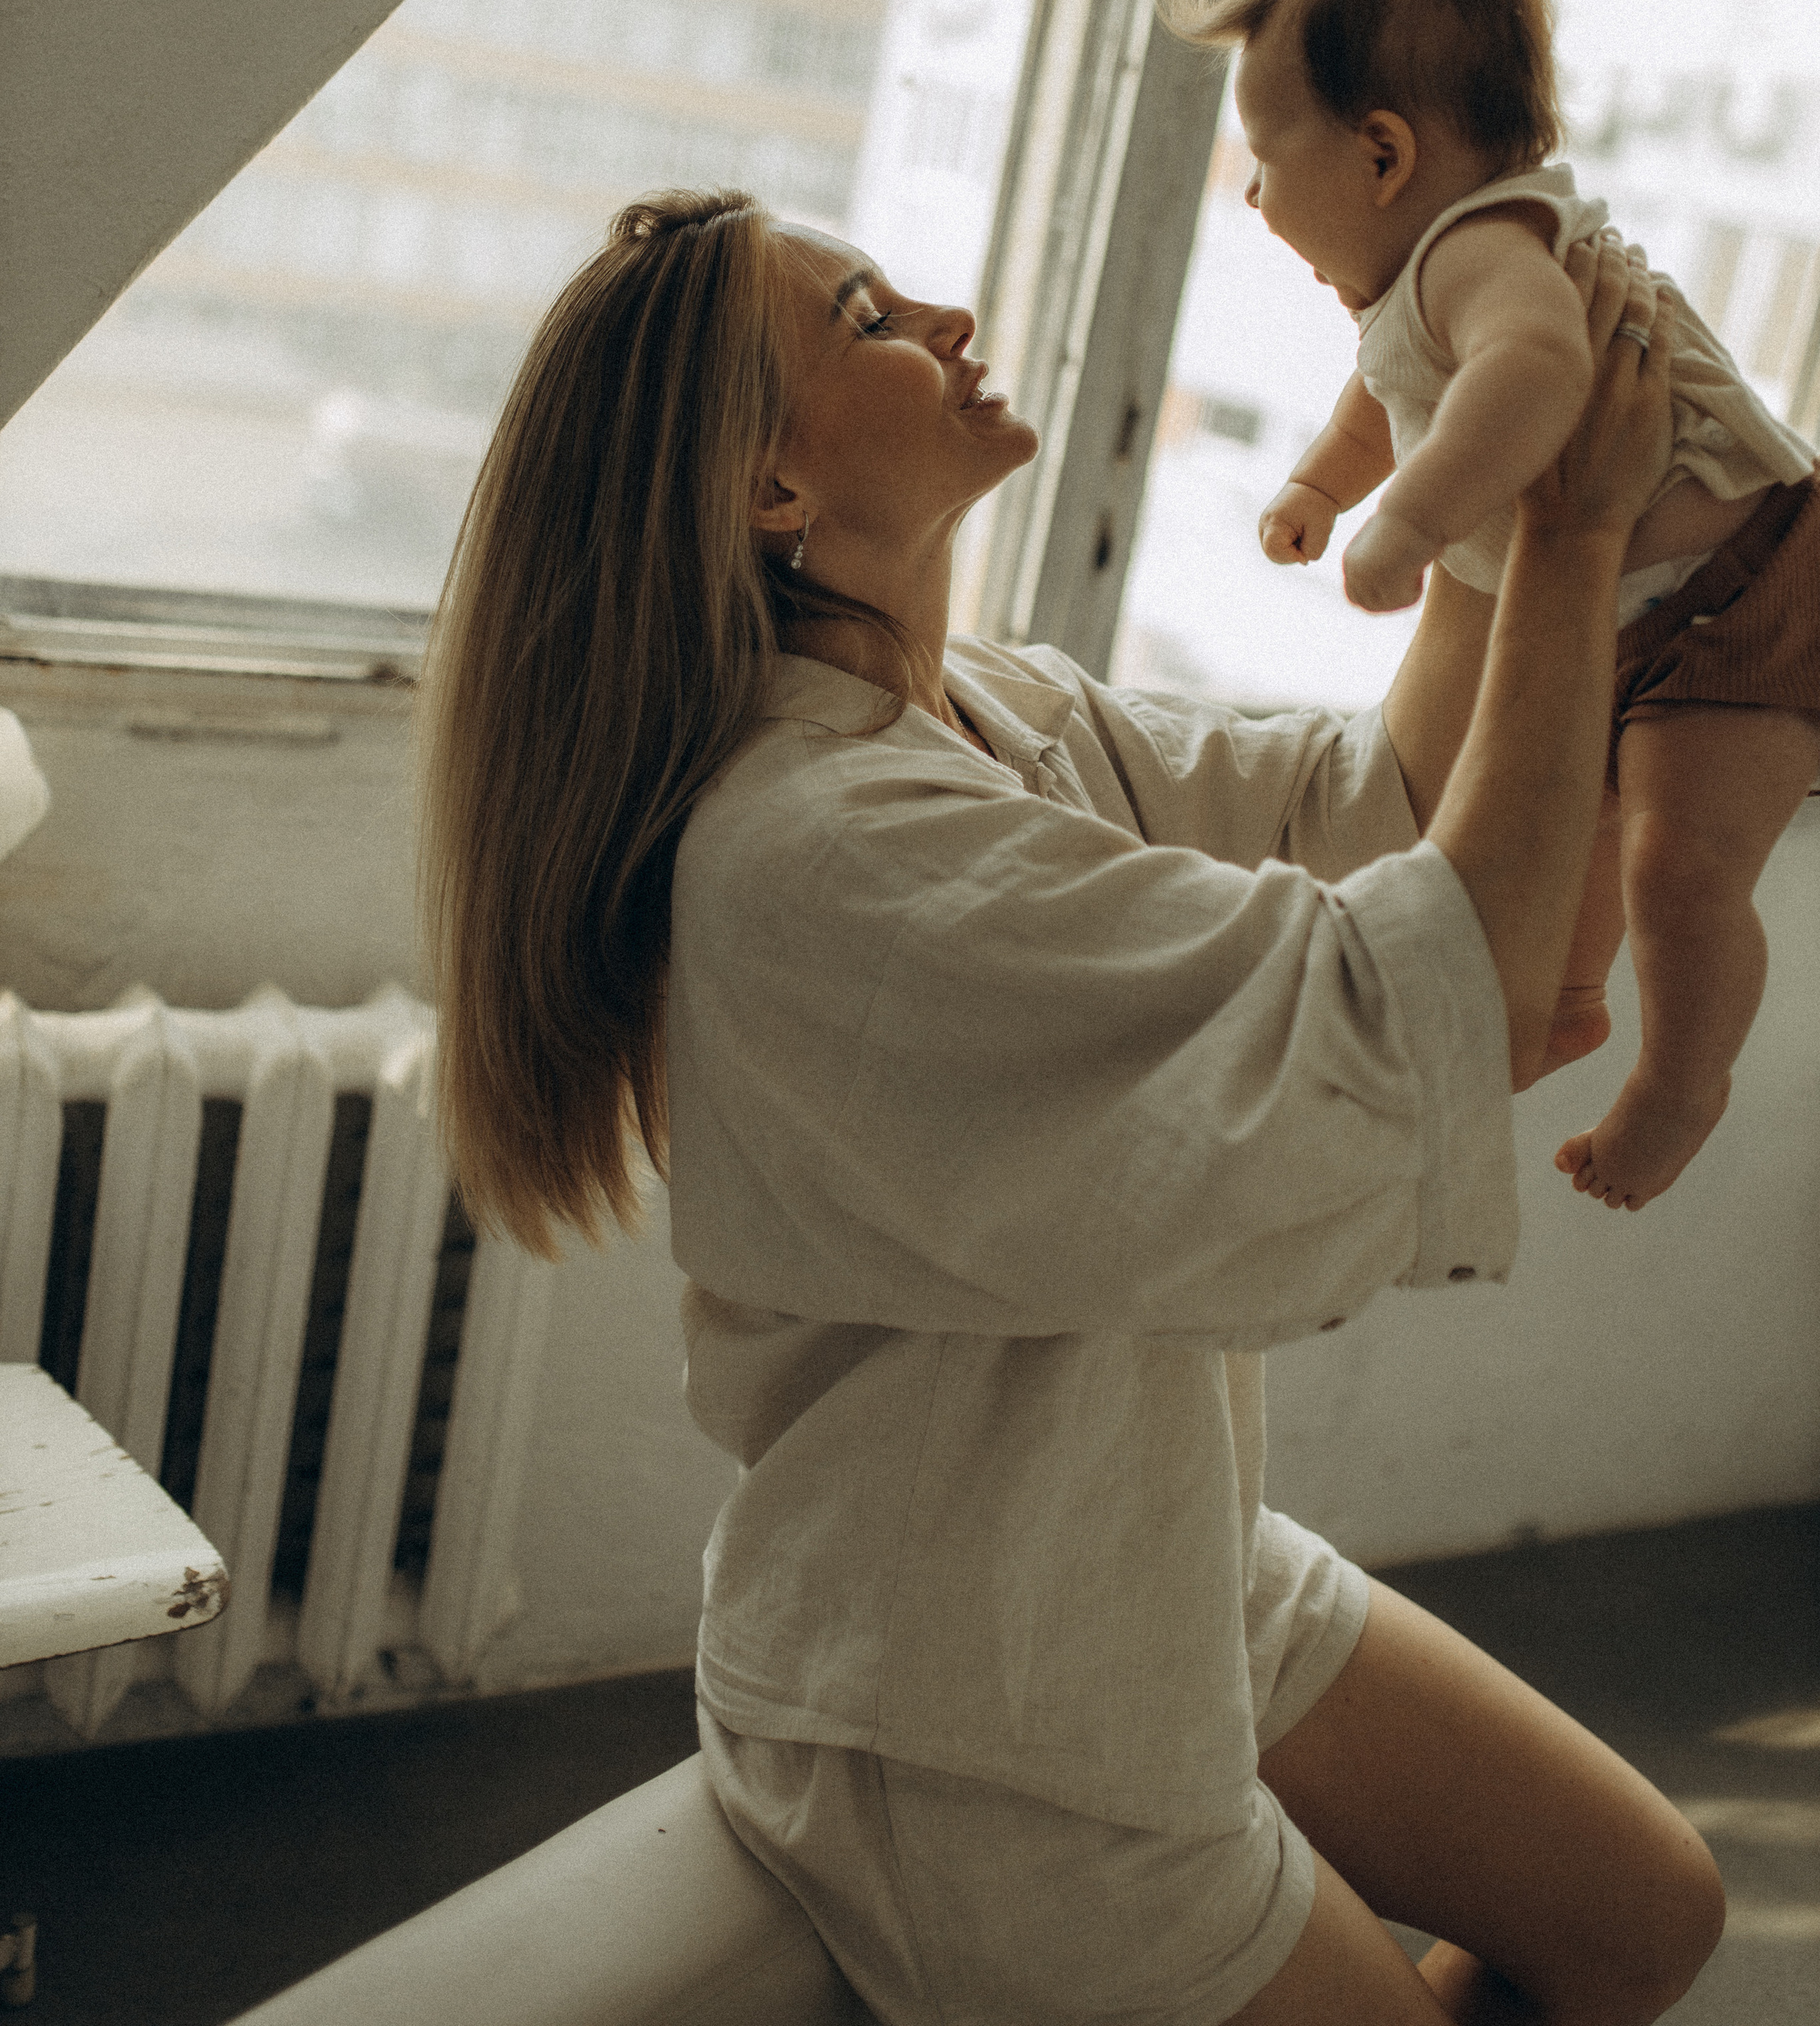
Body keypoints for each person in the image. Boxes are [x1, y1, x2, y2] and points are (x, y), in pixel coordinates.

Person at [418, 188, 1723, 2023]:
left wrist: (1488, 476)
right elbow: (1414, 995)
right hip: (970, 1708)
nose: (947, 316)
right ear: (769, 494)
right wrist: (1580, 535)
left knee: (1646, 1917)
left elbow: (1389, 802)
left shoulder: (988, 716)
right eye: (867, 317)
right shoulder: (809, 855)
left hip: (1138, 1548)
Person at [1167, 0, 1820, 1214]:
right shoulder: (1418, 287)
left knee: (1680, 866)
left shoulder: (1488, 251)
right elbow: (1384, 397)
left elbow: (1531, 376)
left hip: (1752, 586)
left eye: (1263, 158)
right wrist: (1311, 485)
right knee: (1565, 825)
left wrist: (1403, 525)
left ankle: (1674, 1089)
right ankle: (1564, 999)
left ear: (1383, 155)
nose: (1253, 193)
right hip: (1629, 618)